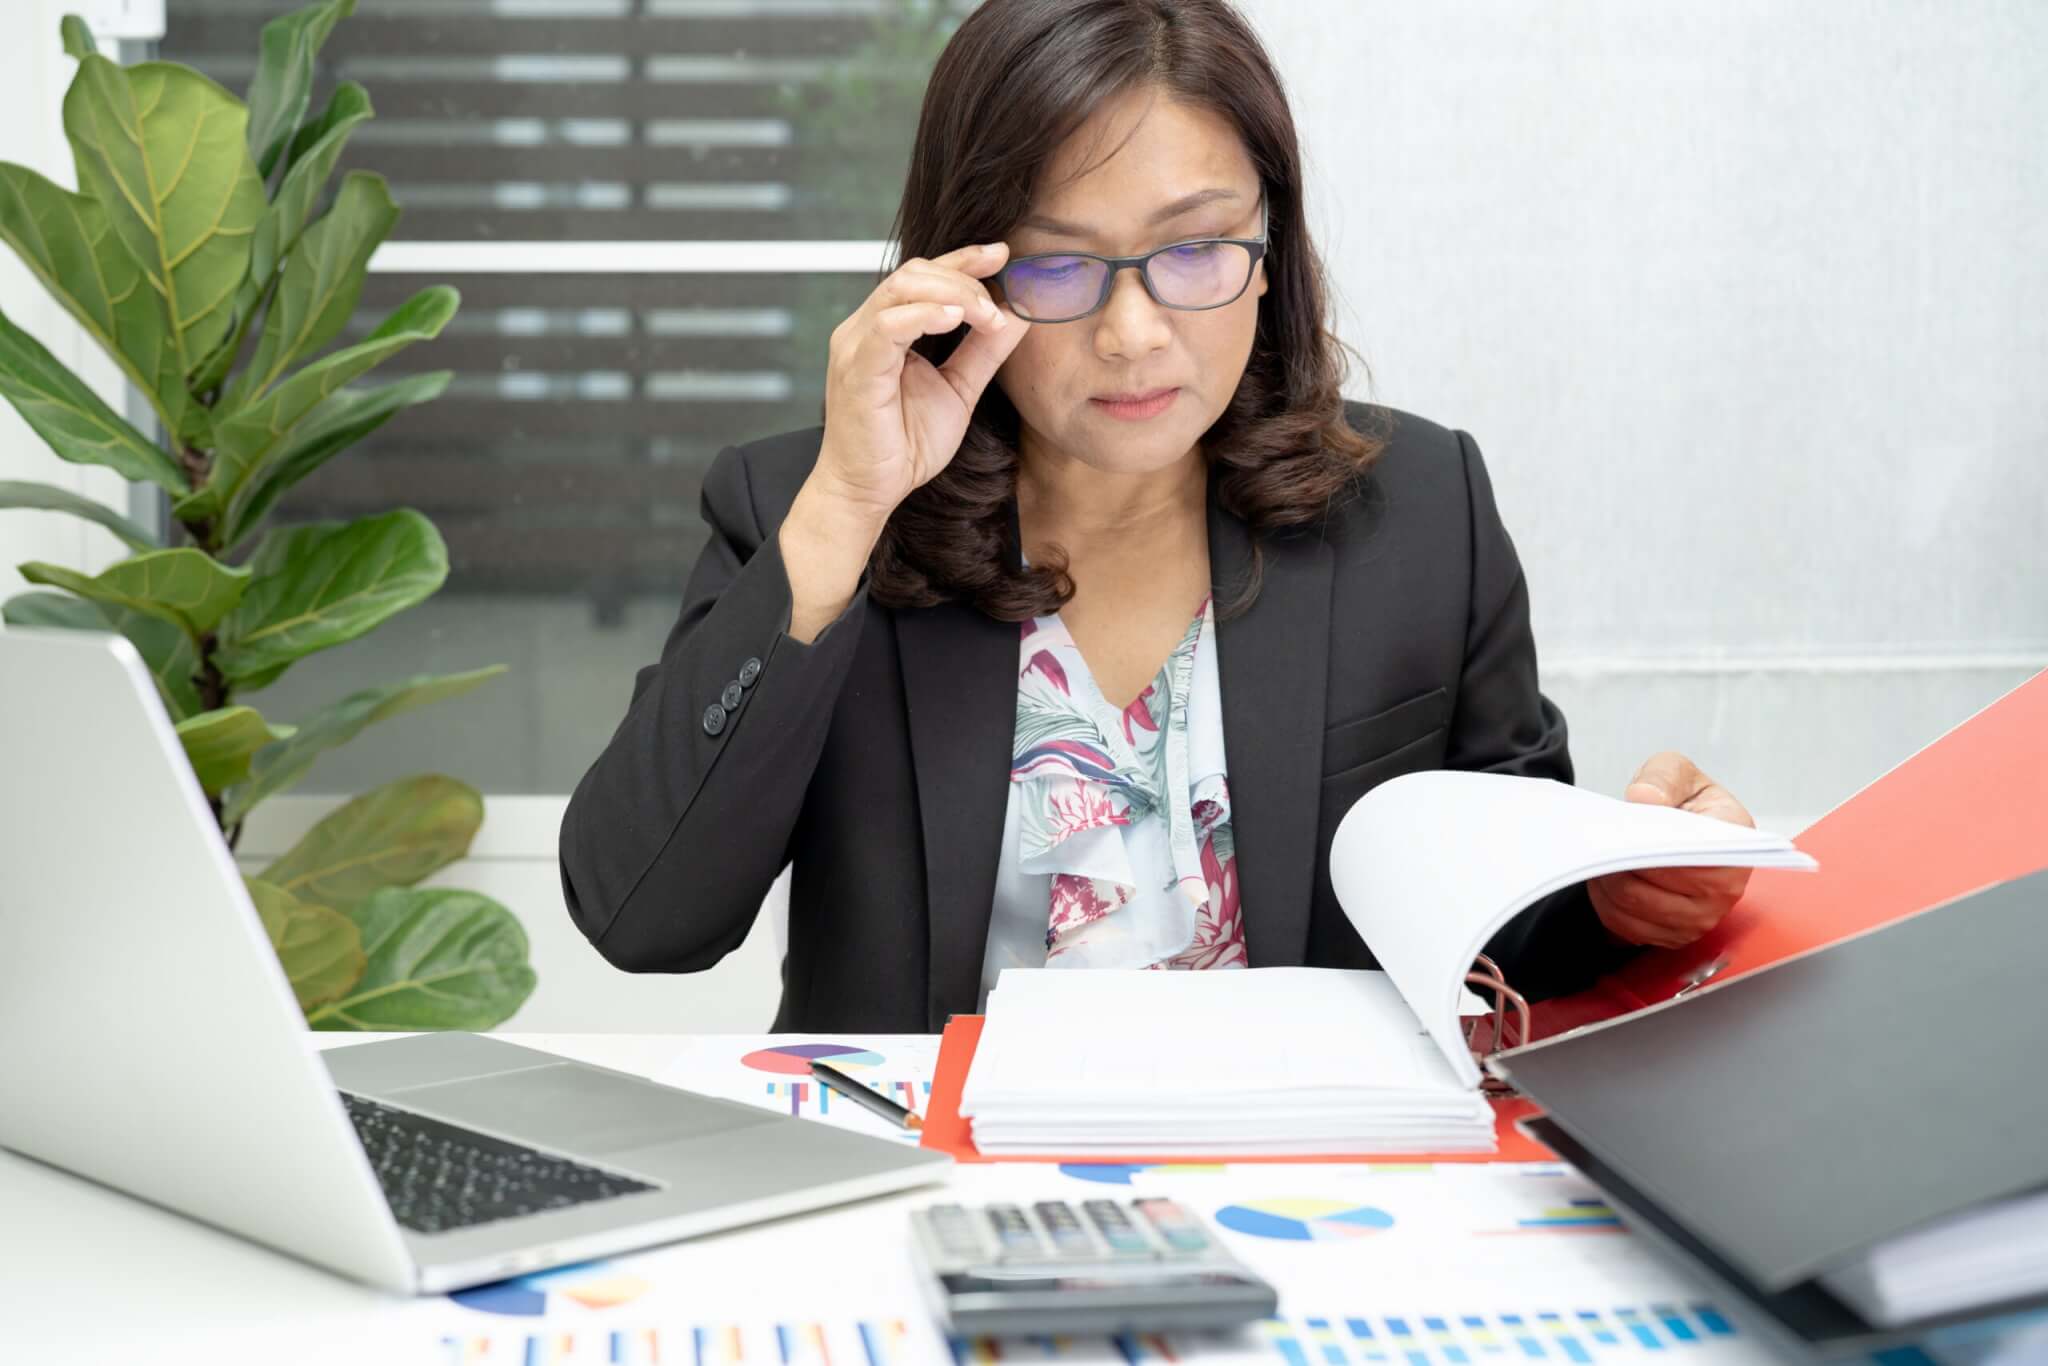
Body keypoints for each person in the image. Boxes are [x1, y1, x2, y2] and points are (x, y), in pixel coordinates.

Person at [559, 0, 1756, 1032]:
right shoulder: (811, 510)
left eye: (1192, 251)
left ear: (1269, 245)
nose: (1131, 335)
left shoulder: (1419, 509)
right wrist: (848, 507)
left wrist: (1619, 895)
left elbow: (1510, 928)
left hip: (1312, 1199)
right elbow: (642, 918)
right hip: (928, 1193)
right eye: (1055, 264)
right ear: (959, 275)